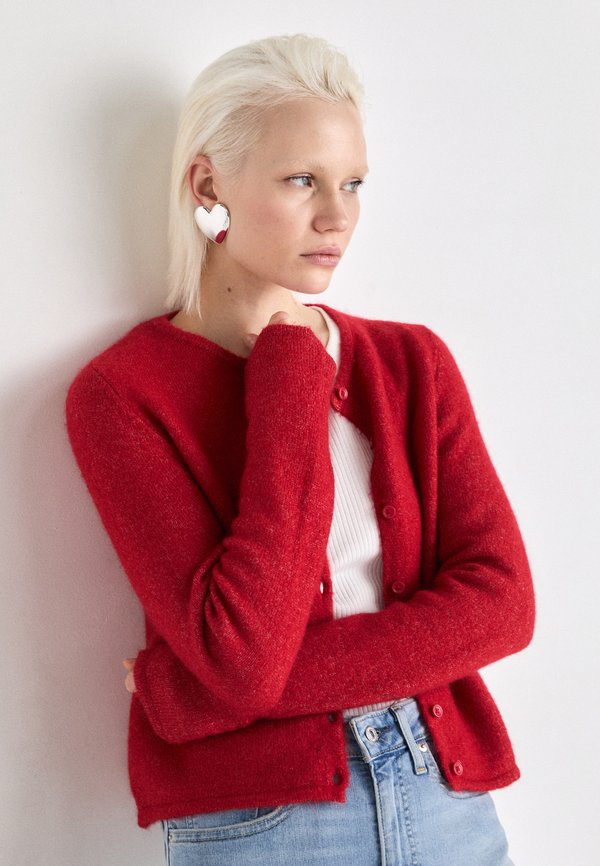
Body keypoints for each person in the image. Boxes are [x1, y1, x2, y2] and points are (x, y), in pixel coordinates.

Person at [65, 33, 535, 866]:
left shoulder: (411, 363)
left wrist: (190, 697)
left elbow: (502, 605)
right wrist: (288, 377)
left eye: (352, 183)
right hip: (264, 822)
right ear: (208, 186)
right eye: (301, 180)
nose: (338, 216)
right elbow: (243, 657)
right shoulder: (123, 395)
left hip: (442, 790)